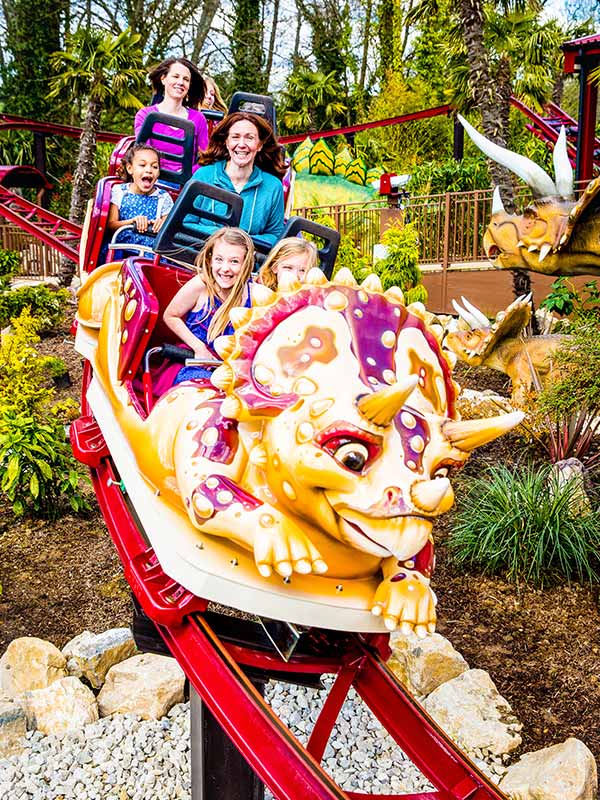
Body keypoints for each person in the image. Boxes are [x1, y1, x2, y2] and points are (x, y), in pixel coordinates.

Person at [163, 227, 256, 383]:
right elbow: (171, 315)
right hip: (194, 363)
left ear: (246, 263)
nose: (225, 268)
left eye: (234, 261)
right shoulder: (201, 285)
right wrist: (199, 348)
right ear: (211, 259)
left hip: (230, 370)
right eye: (219, 260)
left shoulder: (253, 294)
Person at [187, 112, 286, 249]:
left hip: (249, 264)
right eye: (235, 137)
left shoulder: (273, 186)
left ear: (260, 145)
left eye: (249, 138)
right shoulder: (204, 176)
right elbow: (185, 222)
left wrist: (242, 242)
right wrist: (225, 237)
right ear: (226, 142)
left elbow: (275, 235)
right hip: (200, 259)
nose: (241, 144)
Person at [134, 58, 209, 173]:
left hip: (187, 181)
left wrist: (188, 173)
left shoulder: (198, 119)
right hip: (153, 178)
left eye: (186, 79)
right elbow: (143, 154)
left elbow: (206, 157)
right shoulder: (145, 115)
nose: (180, 82)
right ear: (163, 79)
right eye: (176, 76)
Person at [107, 143, 174, 253]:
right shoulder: (120, 192)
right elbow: (110, 225)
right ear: (130, 169)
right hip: (121, 248)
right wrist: (132, 222)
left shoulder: (163, 197)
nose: (149, 170)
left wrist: (161, 224)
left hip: (149, 252)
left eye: (154, 166)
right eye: (142, 165)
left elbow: (169, 228)